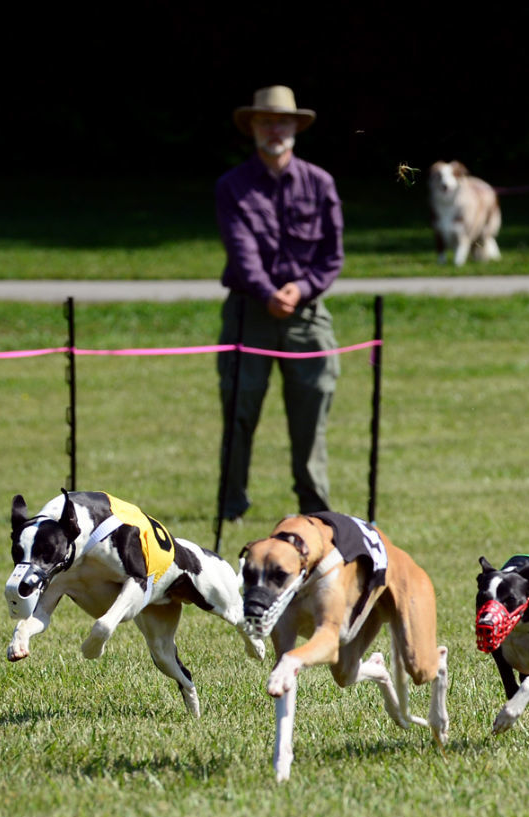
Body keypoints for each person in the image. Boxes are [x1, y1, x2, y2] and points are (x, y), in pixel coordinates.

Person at [215, 85, 345, 525]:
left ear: (296, 127)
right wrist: (268, 291)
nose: (275, 129)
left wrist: (301, 289)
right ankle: (230, 505)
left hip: (307, 314)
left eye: (282, 121)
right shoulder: (231, 186)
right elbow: (241, 249)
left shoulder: (320, 183)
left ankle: (316, 509)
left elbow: (333, 255)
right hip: (249, 312)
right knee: (239, 409)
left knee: (313, 412)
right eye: (266, 121)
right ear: (252, 127)